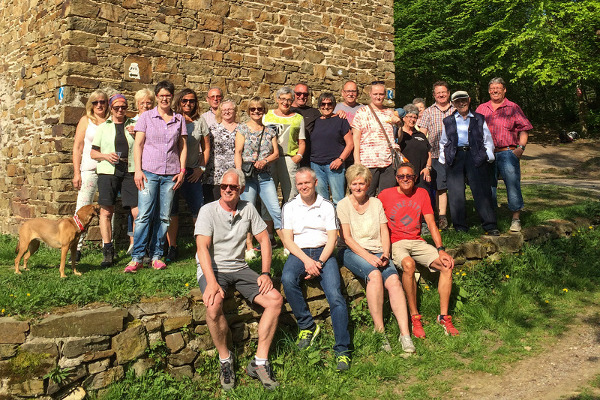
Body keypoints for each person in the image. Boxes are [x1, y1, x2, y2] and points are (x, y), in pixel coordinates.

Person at [195, 169, 283, 390]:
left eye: (232, 187)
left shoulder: (248, 208)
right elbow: (202, 248)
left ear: (241, 189)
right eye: (224, 186)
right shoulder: (208, 210)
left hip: (239, 267)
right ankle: (225, 359)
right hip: (214, 268)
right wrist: (211, 282)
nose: (227, 190)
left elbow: (264, 240)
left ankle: (260, 362)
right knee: (213, 305)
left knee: (275, 300)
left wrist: (265, 273)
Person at [337, 164, 415, 353]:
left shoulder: (376, 203)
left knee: (394, 280)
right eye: (354, 183)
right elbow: (347, 238)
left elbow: (384, 231)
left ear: (368, 184)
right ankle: (380, 332)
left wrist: (386, 253)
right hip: (352, 251)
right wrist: (369, 257)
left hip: (378, 249)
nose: (358, 187)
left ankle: (405, 334)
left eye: (361, 183)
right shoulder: (343, 205)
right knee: (374, 275)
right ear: (349, 184)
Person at [280, 168, 351, 371]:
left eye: (307, 183)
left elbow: (332, 238)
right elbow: (287, 240)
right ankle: (307, 325)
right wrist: (307, 261)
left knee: (335, 296)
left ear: (315, 183)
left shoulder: (326, 205)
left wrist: (318, 262)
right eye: (300, 183)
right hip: (299, 253)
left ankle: (342, 351)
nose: (303, 187)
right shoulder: (289, 207)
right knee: (287, 279)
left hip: (323, 253)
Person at [379, 162, 458, 338]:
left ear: (415, 178)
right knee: (409, 264)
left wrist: (441, 249)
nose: (405, 179)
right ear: (396, 178)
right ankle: (414, 316)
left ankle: (443, 317)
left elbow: (431, 223)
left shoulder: (421, 193)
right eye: (401, 176)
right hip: (396, 242)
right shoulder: (385, 195)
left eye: (409, 176)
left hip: (417, 241)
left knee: (446, 265)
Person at [125, 80, 187, 273]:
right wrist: (138, 170)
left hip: (170, 175)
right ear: (157, 97)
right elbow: (139, 144)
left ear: (172, 97)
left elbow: (182, 146)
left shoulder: (179, 119)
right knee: (143, 215)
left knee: (164, 217)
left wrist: (182, 171)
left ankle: (157, 255)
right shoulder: (146, 117)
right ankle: (137, 257)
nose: (164, 99)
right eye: (161, 95)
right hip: (149, 172)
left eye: (168, 95)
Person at [476, 77, 533, 232]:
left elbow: (524, 128)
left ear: (504, 90)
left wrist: (520, 148)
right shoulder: (481, 108)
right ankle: (491, 218)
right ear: (489, 91)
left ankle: (516, 219)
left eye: (498, 88)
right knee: (488, 186)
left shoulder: (513, 107)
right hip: (487, 154)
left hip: (507, 152)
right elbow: (473, 129)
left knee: (512, 185)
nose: (495, 91)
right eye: (492, 89)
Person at [439, 91, 499, 235]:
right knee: (456, 192)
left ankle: (490, 225)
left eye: (464, 100)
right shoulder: (448, 121)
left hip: (475, 155)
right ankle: (460, 226)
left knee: (482, 190)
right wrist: (444, 159)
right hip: (455, 157)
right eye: (458, 101)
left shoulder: (479, 118)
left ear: (469, 100)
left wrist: (488, 156)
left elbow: (487, 139)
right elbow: (444, 141)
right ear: (453, 104)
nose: (461, 103)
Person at [90, 94, 137, 267]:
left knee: (137, 211)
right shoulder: (104, 127)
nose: (120, 110)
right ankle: (108, 250)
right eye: (116, 107)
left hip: (130, 169)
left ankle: (138, 249)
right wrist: (105, 155)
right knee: (106, 211)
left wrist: (137, 134)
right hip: (108, 171)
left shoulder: (133, 125)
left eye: (123, 107)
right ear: (111, 108)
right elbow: (93, 153)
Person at [165, 88, 210, 262]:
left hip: (192, 172)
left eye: (191, 101)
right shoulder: (173, 118)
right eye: (184, 101)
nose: (188, 104)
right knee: (172, 210)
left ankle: (201, 247)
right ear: (179, 102)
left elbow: (206, 147)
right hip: (172, 172)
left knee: (198, 210)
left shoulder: (200, 121)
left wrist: (201, 168)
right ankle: (172, 247)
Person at [234, 97, 281, 260]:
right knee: (248, 210)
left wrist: (265, 161)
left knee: (275, 209)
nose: (256, 111)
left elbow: (276, 153)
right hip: (248, 176)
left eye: (259, 109)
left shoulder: (270, 131)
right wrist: (239, 173)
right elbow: (238, 152)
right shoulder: (242, 129)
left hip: (265, 176)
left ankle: (287, 244)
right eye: (253, 109)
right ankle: (249, 246)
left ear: (264, 110)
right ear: (248, 111)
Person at [72, 89, 109, 260]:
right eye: (95, 102)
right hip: (89, 169)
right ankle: (76, 248)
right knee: (82, 207)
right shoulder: (86, 121)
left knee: (107, 208)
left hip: (108, 169)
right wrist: (76, 172)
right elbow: (78, 147)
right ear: (91, 105)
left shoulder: (111, 120)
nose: (99, 105)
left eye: (102, 102)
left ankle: (107, 247)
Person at [351, 80, 402, 196]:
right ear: (370, 94)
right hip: (368, 162)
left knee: (387, 196)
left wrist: (399, 124)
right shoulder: (361, 113)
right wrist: (357, 162)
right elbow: (356, 140)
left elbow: (398, 138)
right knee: (367, 196)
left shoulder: (390, 112)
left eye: (381, 94)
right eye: (375, 94)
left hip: (388, 162)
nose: (378, 97)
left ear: (385, 95)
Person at [418, 81, 456, 230]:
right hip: (435, 155)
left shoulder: (456, 110)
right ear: (434, 95)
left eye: (443, 92)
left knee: (456, 187)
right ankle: (441, 217)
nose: (441, 95)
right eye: (438, 93)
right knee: (440, 187)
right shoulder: (428, 112)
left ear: (448, 93)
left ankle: (458, 215)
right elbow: (422, 134)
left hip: (455, 155)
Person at [125, 89, 156, 255]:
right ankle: (135, 243)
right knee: (136, 210)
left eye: (148, 103)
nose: (145, 105)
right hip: (133, 169)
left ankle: (149, 244)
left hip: (152, 168)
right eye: (142, 103)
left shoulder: (157, 120)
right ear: (137, 105)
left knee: (150, 208)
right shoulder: (130, 122)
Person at [263, 86, 306, 204]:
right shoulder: (267, 116)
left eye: (289, 100)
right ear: (277, 99)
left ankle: (289, 216)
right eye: (282, 99)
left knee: (291, 195)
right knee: (268, 196)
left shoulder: (298, 118)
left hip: (288, 160)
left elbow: (302, 142)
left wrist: (298, 157)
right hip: (269, 160)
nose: (285, 102)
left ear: (292, 101)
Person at [309, 93, 353, 206]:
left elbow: (350, 144)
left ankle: (339, 218)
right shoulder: (316, 121)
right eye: (323, 104)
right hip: (316, 165)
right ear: (319, 105)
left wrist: (340, 159)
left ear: (334, 105)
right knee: (322, 201)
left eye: (329, 104)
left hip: (334, 165)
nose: (326, 106)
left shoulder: (341, 120)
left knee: (338, 200)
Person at [203, 99, 238, 203]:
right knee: (213, 205)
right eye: (224, 110)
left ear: (235, 111)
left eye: (230, 109)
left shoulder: (242, 128)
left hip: (234, 174)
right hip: (214, 175)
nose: (227, 112)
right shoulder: (212, 129)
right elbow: (205, 148)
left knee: (232, 205)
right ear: (220, 112)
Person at [398, 104, 432, 190]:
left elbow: (429, 152)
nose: (412, 120)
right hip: (404, 176)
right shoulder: (399, 135)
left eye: (415, 117)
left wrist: (427, 168)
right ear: (404, 118)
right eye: (410, 116)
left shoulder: (421, 135)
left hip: (421, 175)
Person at [291, 83, 321, 168]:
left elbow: (326, 122)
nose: (302, 96)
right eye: (298, 93)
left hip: (307, 158)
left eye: (305, 94)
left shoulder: (314, 112)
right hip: (289, 156)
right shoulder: (286, 110)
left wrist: (337, 113)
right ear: (293, 94)